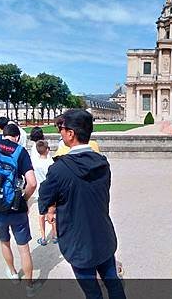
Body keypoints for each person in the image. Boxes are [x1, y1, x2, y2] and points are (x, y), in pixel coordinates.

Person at [38, 109, 125, 299]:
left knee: (93, 293)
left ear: (70, 134)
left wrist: (52, 207)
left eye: (61, 128)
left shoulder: (59, 169)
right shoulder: (103, 163)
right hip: (103, 236)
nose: (59, 132)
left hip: (78, 242)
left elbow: (43, 200)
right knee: (113, 284)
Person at [0, 123, 42, 297]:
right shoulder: (20, 152)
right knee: (24, 248)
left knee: (4, 242)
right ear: (17, 137)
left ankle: (12, 273)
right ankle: (29, 286)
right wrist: (23, 200)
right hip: (16, 208)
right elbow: (32, 183)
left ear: (3, 135)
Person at [31, 140, 56, 246]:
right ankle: (55, 235)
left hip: (40, 192)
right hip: (51, 192)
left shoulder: (35, 163)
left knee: (41, 214)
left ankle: (43, 236)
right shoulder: (51, 163)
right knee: (53, 213)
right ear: (47, 150)